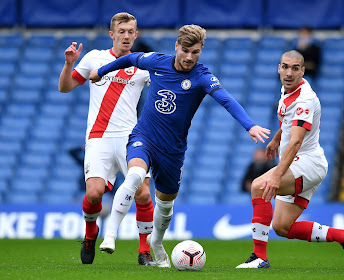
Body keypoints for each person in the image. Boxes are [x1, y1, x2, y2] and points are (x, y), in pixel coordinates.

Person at [89, 24, 270, 267]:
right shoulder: (157, 62)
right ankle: (110, 235)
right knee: (134, 176)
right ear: (177, 47)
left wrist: (249, 126)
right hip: (144, 137)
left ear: (201, 51)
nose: (189, 57)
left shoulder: (202, 77)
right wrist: (101, 70)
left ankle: (156, 242)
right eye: (185, 50)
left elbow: (227, 100)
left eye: (195, 52)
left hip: (173, 151)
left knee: (165, 206)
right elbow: (130, 59)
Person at [236, 50, 344, 270]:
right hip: (300, 163)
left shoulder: (305, 98)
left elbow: (296, 141)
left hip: (307, 163)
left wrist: (276, 176)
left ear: (303, 71)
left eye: (295, 68)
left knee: (259, 186)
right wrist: (276, 139)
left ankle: (259, 257)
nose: (289, 72)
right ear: (279, 68)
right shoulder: (287, 91)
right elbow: (289, 123)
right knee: (282, 226)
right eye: (285, 67)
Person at [58, 12, 156, 266]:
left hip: (130, 139)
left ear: (136, 35)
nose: (126, 36)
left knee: (143, 194)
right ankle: (90, 236)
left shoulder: (143, 64)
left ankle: (144, 250)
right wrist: (69, 64)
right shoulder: (94, 58)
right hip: (99, 138)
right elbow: (65, 87)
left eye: (130, 31)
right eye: (121, 31)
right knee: (94, 194)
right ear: (112, 34)